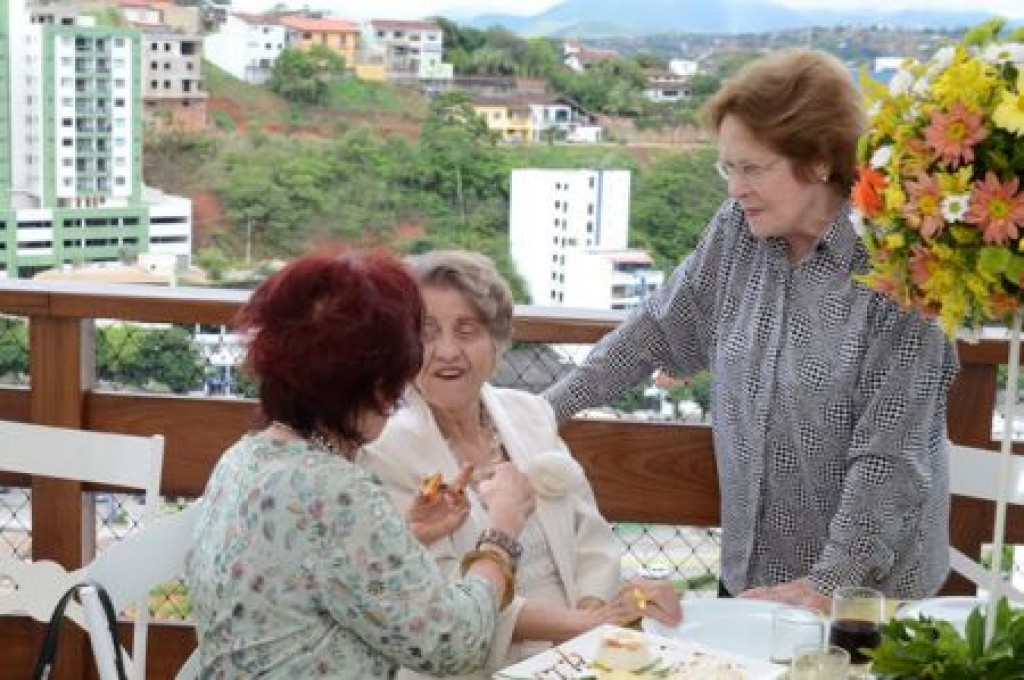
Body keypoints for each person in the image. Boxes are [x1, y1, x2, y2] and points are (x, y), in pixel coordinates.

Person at [544, 48, 959, 613]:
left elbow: (891, 459)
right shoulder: (738, 231)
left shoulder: (899, 266)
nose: (735, 188)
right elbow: (653, 330)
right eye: (728, 167)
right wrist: (537, 415)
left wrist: (827, 584)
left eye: (753, 168)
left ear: (817, 161)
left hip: (865, 600)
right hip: (752, 580)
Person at [185, 250, 535, 678]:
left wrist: (407, 536)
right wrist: (501, 533)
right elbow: (453, 645)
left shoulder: (243, 458)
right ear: (373, 382)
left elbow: (307, 579)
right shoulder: (333, 489)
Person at [359, 250, 681, 678]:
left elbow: (591, 541)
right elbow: (439, 599)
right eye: (427, 333)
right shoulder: (386, 447)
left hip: (576, 655)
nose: (447, 351)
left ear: (497, 341)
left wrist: (590, 628)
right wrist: (584, 626)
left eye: (467, 330)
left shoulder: (529, 413)